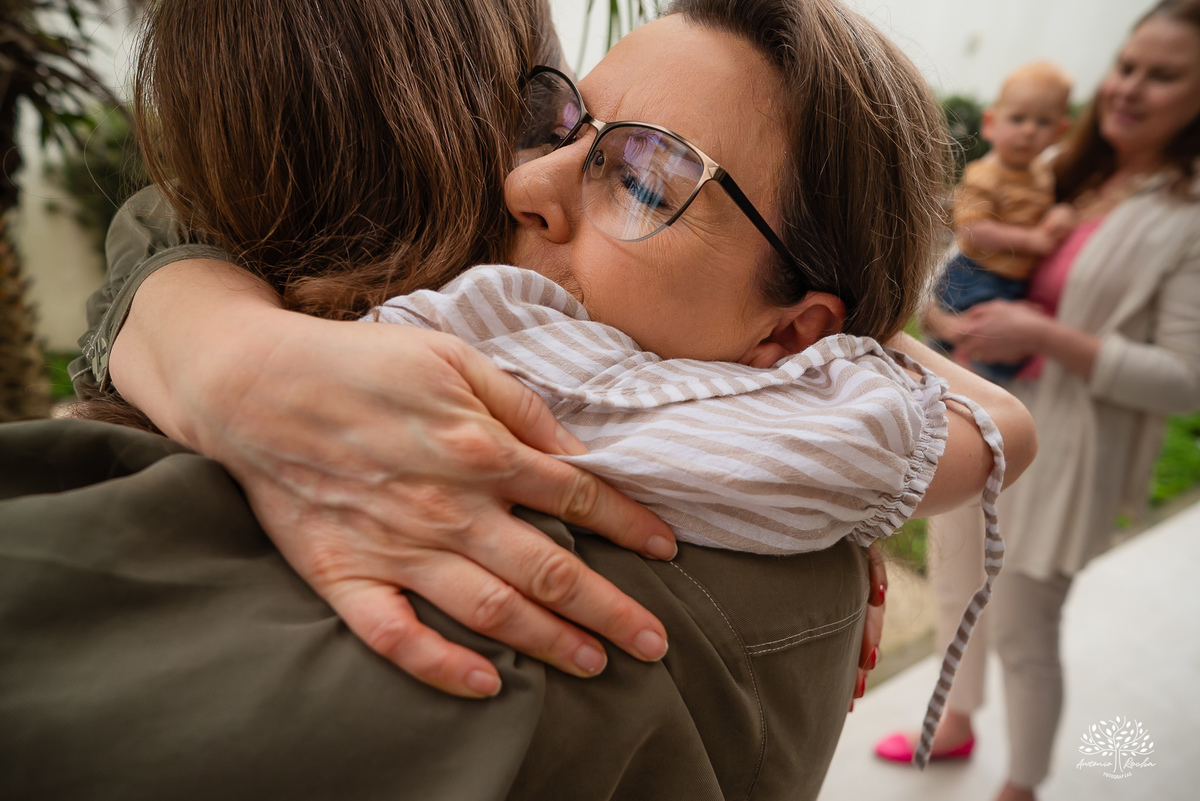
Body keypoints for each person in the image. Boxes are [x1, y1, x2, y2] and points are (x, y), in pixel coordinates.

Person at [1, 0, 1034, 798]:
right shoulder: (782, 444)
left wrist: (202, 338)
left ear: (794, 332)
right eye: (562, 123)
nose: (526, 184)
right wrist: (221, 344)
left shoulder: (479, 577)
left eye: (644, 177)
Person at [875, 3, 1200, 800]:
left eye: (1164, 76)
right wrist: (945, 310)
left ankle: (1022, 783)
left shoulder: (1185, 217)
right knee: (955, 581)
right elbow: (976, 240)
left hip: (1066, 450)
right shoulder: (1057, 164)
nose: (1129, 88)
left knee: (1023, 628)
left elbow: (1185, 377)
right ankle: (954, 720)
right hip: (983, 418)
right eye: (1128, 65)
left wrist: (1046, 335)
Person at [934, 61, 1076, 382]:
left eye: (1043, 122)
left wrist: (1058, 214)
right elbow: (972, 230)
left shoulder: (1041, 173)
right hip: (977, 274)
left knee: (1003, 352)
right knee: (978, 340)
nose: (1028, 130)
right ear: (990, 123)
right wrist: (1032, 240)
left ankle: (965, 373)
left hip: (1011, 278)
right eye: (1017, 118)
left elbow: (1040, 212)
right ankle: (957, 373)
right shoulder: (984, 175)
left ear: (1059, 132)